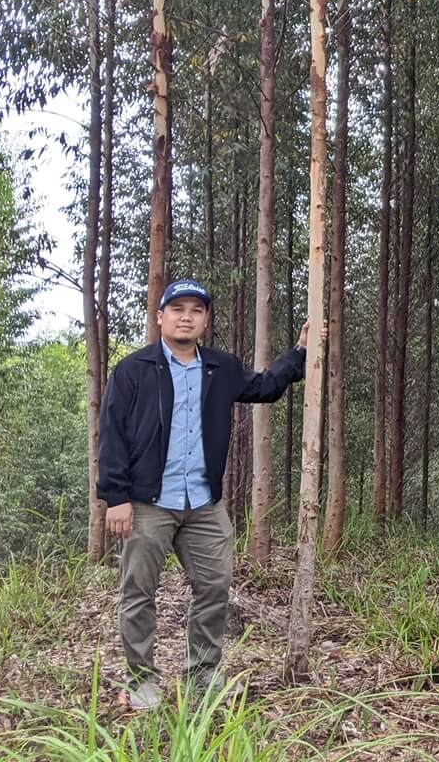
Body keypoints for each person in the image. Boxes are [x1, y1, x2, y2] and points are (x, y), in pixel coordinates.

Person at [97, 279, 308, 710]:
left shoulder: (220, 367)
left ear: (205, 320)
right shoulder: (133, 370)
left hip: (203, 505)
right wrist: (114, 496)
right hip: (146, 503)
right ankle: (141, 679)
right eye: (177, 308)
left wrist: (300, 353)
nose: (186, 316)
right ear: (160, 317)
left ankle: (202, 675)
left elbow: (265, 387)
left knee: (214, 587)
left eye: (196, 309)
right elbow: (112, 435)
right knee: (138, 591)